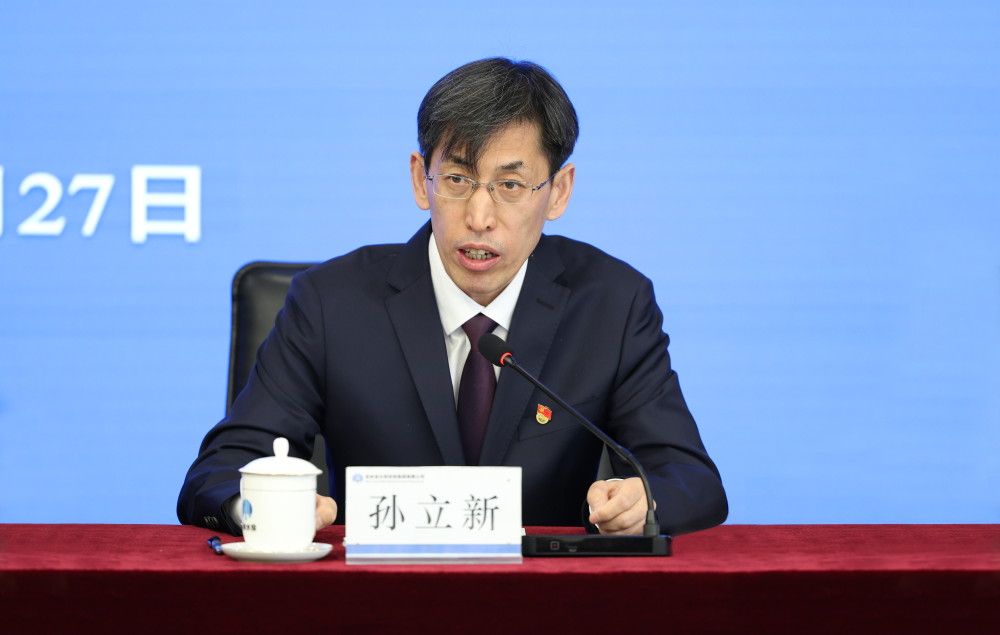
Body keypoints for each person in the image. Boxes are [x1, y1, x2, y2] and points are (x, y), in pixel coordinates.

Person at [178, 58, 727, 537]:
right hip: (373, 600)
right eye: (458, 179)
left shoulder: (612, 304)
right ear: (422, 179)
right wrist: (258, 508)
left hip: (544, 600)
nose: (480, 218)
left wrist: (644, 502)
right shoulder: (329, 304)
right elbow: (218, 473)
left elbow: (690, 479)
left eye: (510, 186)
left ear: (558, 192)